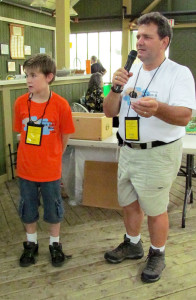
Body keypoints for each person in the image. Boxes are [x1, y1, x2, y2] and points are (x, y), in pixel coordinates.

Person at [103, 12, 196, 283]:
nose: (139, 42)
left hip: (158, 152)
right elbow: (110, 112)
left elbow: (184, 116)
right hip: (128, 150)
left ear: (164, 41)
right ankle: (133, 243)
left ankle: (157, 253)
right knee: (129, 202)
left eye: (147, 36)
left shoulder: (178, 74)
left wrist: (157, 109)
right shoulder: (128, 74)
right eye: (138, 36)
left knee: (156, 208)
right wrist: (116, 88)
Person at [13, 54, 75, 267]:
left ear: (49, 77)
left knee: (53, 208)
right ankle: (31, 244)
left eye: (33, 75)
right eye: (26, 75)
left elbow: (65, 135)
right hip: (26, 169)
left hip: (50, 170)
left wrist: (55, 155)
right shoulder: (20, 103)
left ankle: (54, 244)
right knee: (27, 208)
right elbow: (20, 133)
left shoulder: (61, 105)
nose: (28, 80)